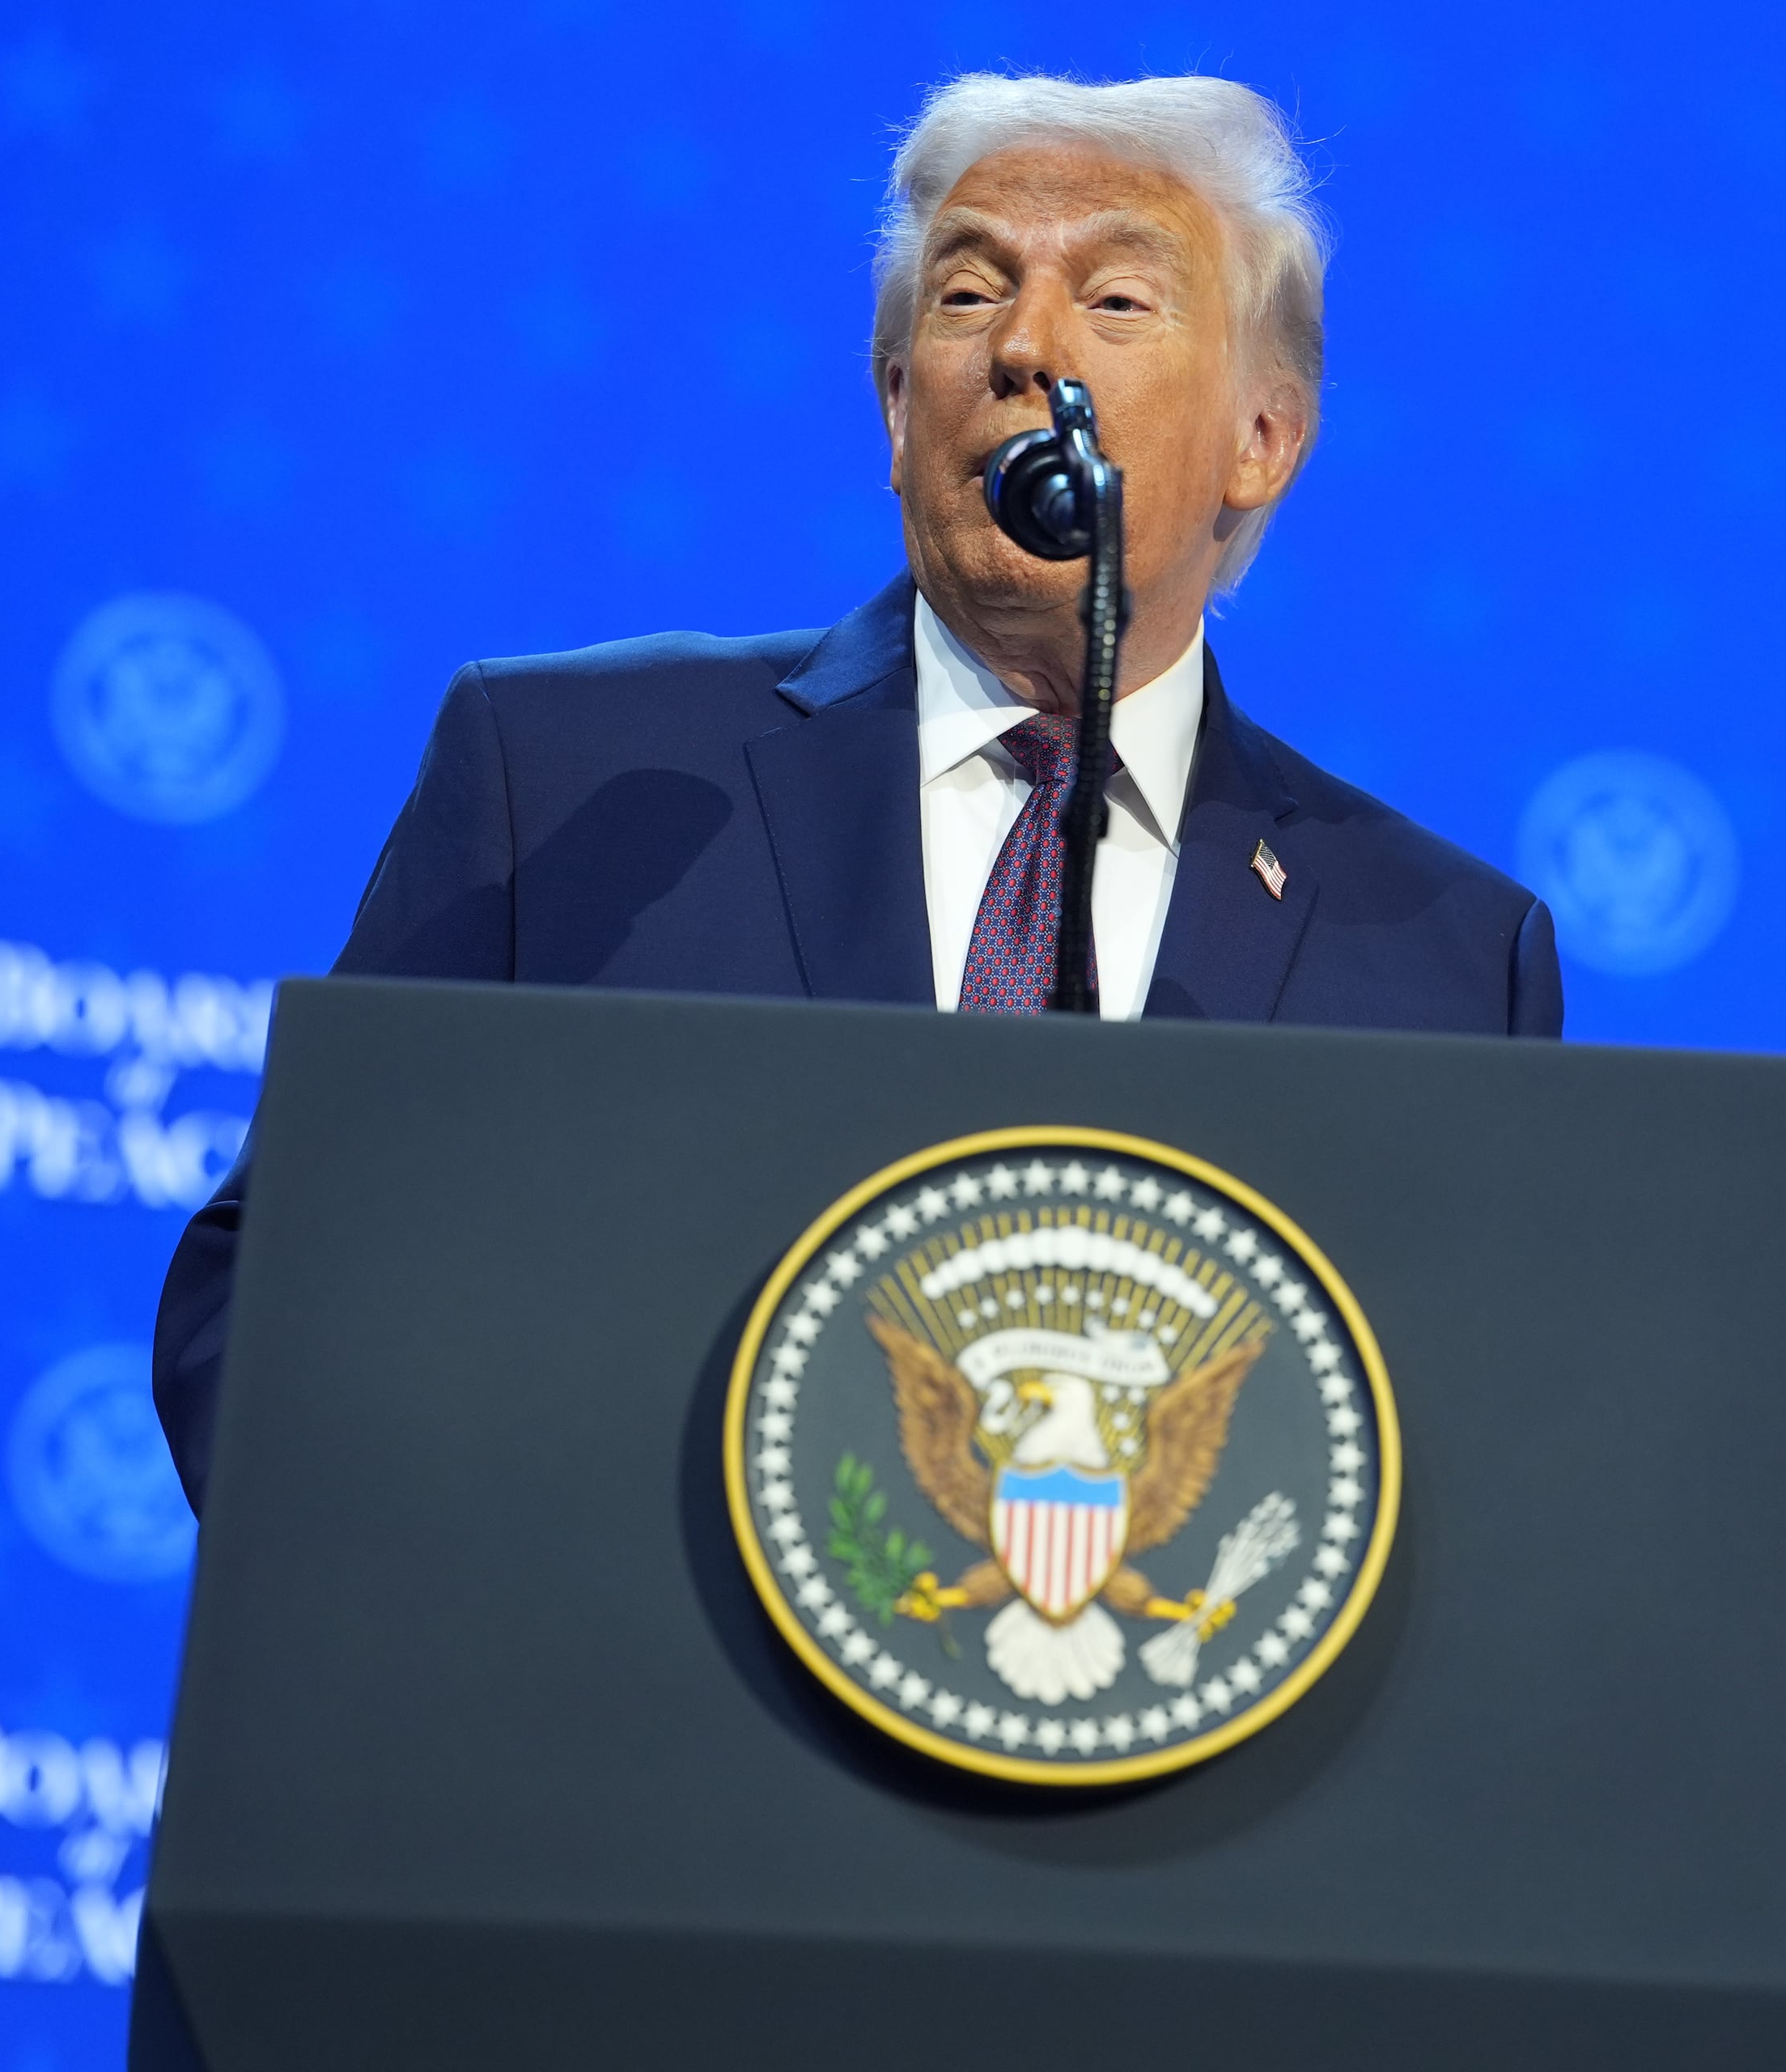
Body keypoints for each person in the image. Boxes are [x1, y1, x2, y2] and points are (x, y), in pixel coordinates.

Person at [151, 72, 1564, 1509]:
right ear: (897, 409)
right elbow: (264, 1315)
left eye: (1118, 300)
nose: (1024, 347)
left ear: (1265, 438)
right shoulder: (576, 786)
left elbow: (1489, 1486)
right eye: (965, 297)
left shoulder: (1444, 960)